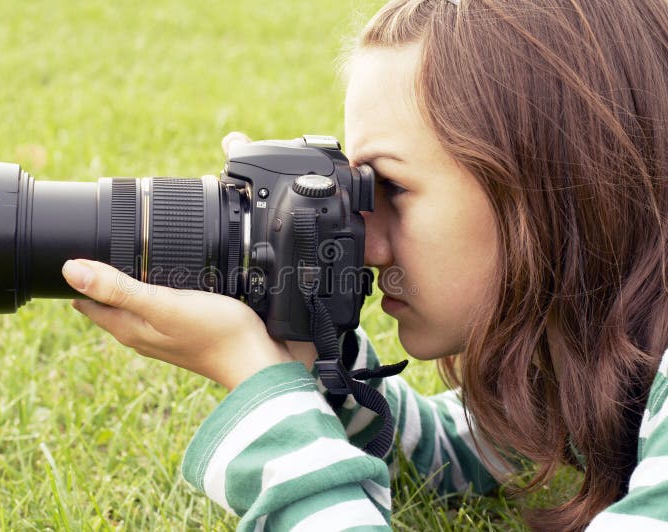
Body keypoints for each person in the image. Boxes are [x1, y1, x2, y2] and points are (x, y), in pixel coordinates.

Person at [59, 0, 668, 530]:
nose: (366, 242)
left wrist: (258, 388)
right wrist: (314, 358)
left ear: (555, 188)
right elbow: (456, 451)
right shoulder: (584, 354)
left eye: (392, 189)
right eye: (356, 190)